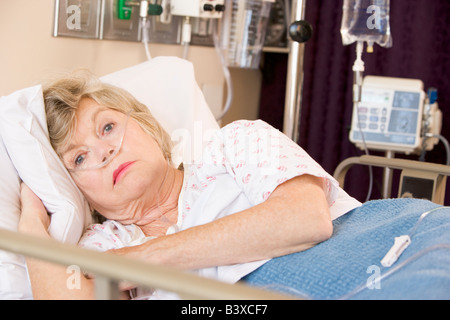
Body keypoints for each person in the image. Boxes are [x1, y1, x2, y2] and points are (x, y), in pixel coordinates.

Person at [18, 70, 361, 299]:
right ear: (79, 193)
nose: (104, 151)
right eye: (79, 158)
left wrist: (135, 263)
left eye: (107, 127)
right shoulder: (101, 246)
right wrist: (31, 223)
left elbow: (305, 219)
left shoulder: (235, 144)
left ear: (144, 125)